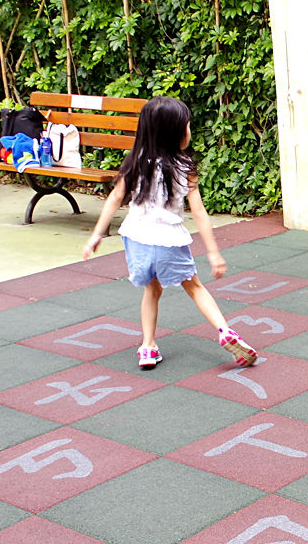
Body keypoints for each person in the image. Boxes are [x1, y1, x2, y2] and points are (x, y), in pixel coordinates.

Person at [81, 96, 258, 370]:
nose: (189, 130)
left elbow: (116, 197)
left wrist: (96, 234)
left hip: (137, 238)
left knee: (152, 290)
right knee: (196, 287)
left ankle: (148, 346)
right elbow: (199, 213)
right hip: (170, 241)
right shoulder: (185, 167)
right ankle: (225, 331)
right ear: (175, 133)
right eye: (186, 126)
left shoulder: (135, 161)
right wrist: (213, 253)